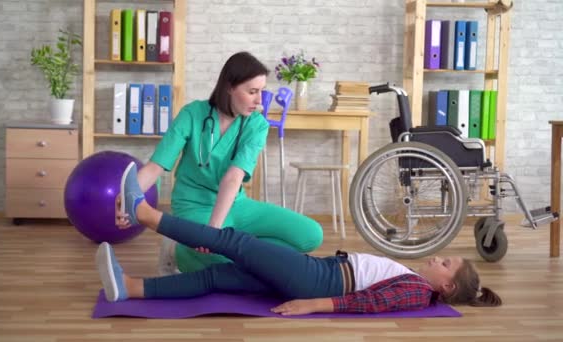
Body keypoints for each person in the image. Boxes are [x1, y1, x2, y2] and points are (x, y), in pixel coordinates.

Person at [99, 162, 502, 315]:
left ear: (446, 287)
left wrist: (313, 304)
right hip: (321, 272)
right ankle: (129, 289)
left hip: (317, 281)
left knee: (234, 242)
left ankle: (144, 213)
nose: (437, 259)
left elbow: (369, 302)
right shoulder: (416, 280)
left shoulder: (417, 292)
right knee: (218, 276)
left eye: (445, 264)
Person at [115, 51, 323, 274]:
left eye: (261, 91)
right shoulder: (192, 114)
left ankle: (219, 248)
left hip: (237, 204)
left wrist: (213, 232)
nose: (258, 99)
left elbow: (234, 177)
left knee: (311, 235)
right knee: (224, 258)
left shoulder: (257, 125)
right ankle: (178, 251)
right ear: (229, 87)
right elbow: (157, 165)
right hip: (193, 205)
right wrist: (126, 199)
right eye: (252, 92)